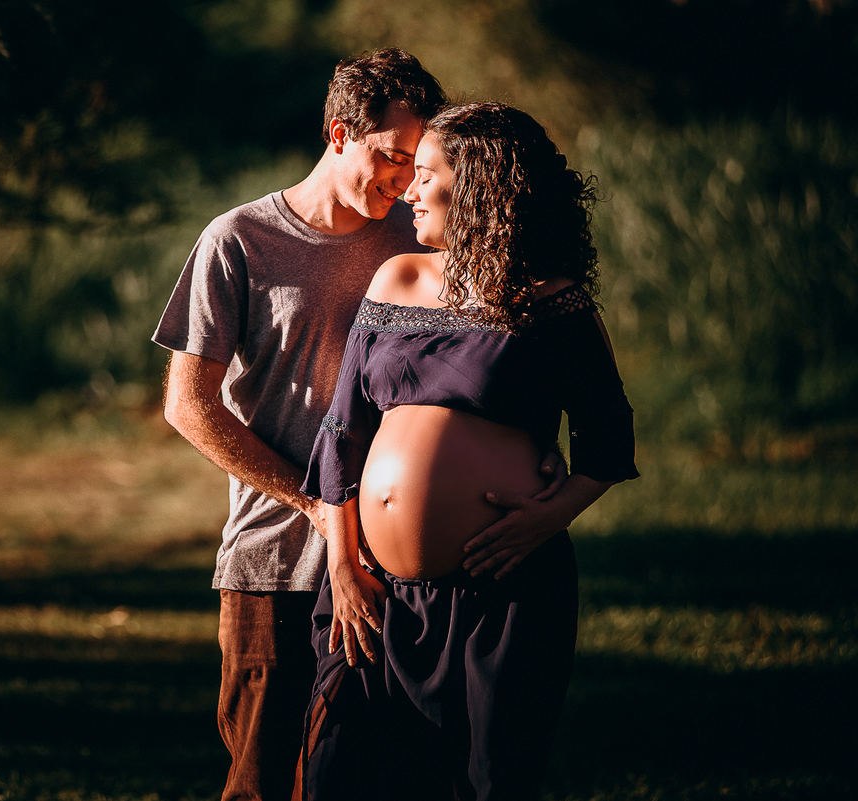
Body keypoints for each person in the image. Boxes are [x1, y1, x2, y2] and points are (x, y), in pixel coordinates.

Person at [154, 53, 559, 801]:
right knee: (264, 778)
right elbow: (189, 405)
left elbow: (499, 356)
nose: (406, 182)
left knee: (370, 779)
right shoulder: (237, 240)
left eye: (418, 164)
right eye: (391, 157)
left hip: (403, 578)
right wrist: (313, 504)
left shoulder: (421, 240)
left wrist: (527, 455)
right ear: (339, 132)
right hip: (276, 560)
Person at [299, 102, 640, 801]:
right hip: (378, 597)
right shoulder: (396, 278)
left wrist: (548, 518)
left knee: (487, 783)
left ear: (482, 187)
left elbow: (607, 439)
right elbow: (342, 432)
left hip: (504, 594)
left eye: (426, 176)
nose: (410, 192)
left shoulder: (554, 302)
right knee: (343, 774)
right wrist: (341, 562)